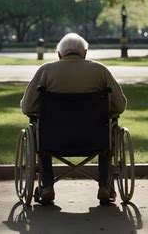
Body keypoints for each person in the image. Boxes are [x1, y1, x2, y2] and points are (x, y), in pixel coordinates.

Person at [21, 32, 127, 205]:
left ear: (59, 54)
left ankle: (47, 186)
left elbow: (27, 107)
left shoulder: (46, 71)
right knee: (108, 130)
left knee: (39, 130)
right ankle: (104, 186)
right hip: (95, 139)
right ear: (84, 53)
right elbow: (120, 106)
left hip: (53, 140)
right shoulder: (100, 71)